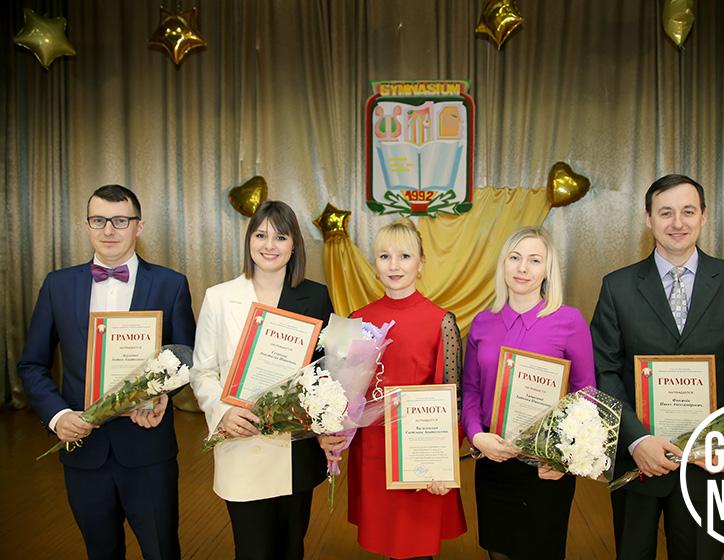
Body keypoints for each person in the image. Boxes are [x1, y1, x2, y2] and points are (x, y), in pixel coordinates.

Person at [590, 174, 724, 560]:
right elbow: (604, 372)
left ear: (704, 216)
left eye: (688, 211)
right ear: (648, 218)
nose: (678, 223)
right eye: (666, 212)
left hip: (708, 464)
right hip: (638, 461)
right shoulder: (616, 286)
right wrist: (636, 440)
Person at [18, 184, 196, 560]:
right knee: (100, 552)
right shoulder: (57, 285)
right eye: (98, 220)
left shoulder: (171, 284)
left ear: (139, 226)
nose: (109, 230)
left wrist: (163, 396)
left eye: (120, 221)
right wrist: (58, 416)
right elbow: (32, 364)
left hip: (148, 449)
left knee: (162, 550)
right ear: (87, 226)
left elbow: (186, 356)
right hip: (84, 449)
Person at [190, 200, 333, 560]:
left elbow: (325, 370)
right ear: (248, 240)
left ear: (294, 245)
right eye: (261, 235)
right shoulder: (219, 298)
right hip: (240, 441)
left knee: (291, 549)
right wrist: (222, 411)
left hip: (294, 450)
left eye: (280, 237)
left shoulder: (315, 296)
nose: (270, 245)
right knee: (252, 549)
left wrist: (329, 421)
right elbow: (202, 371)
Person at [320, 218, 466, 560]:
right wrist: (332, 431)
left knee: (417, 547)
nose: (394, 265)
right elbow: (341, 391)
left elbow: (453, 398)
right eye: (384, 256)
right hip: (373, 451)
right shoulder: (358, 319)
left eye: (405, 256)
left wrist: (441, 462)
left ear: (421, 263)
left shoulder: (441, 321)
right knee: (388, 545)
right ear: (375, 265)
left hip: (419, 452)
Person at [461, 226, 596, 560]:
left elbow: (586, 395)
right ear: (503, 264)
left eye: (535, 260)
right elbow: (471, 390)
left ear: (547, 269)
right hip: (493, 457)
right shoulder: (482, 322)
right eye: (515, 258)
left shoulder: (570, 321)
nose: (523, 268)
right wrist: (476, 436)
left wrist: (564, 456)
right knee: (499, 552)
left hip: (546, 465)